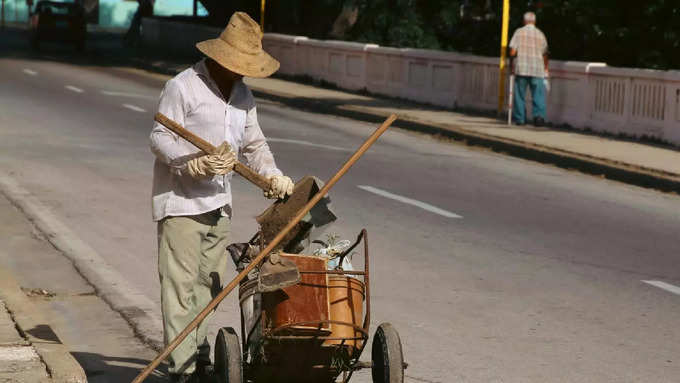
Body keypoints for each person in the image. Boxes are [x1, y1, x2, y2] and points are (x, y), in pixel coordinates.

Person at [149, 12, 294, 383]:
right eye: (237, 67)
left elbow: (254, 144)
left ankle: (197, 360)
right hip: (181, 204)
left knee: (208, 291)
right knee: (179, 292)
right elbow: (160, 138)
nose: (241, 74)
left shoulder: (243, 95)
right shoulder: (182, 87)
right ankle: (180, 371)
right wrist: (193, 164)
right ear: (218, 59)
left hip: (219, 206)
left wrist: (271, 175)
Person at [509, 11, 549, 126]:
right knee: (538, 95)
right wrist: (546, 68)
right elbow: (545, 53)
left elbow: (512, 52)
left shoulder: (518, 32)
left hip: (522, 68)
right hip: (537, 69)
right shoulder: (540, 34)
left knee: (520, 95)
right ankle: (539, 117)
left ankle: (520, 119)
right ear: (534, 21)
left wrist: (511, 66)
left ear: (524, 21)